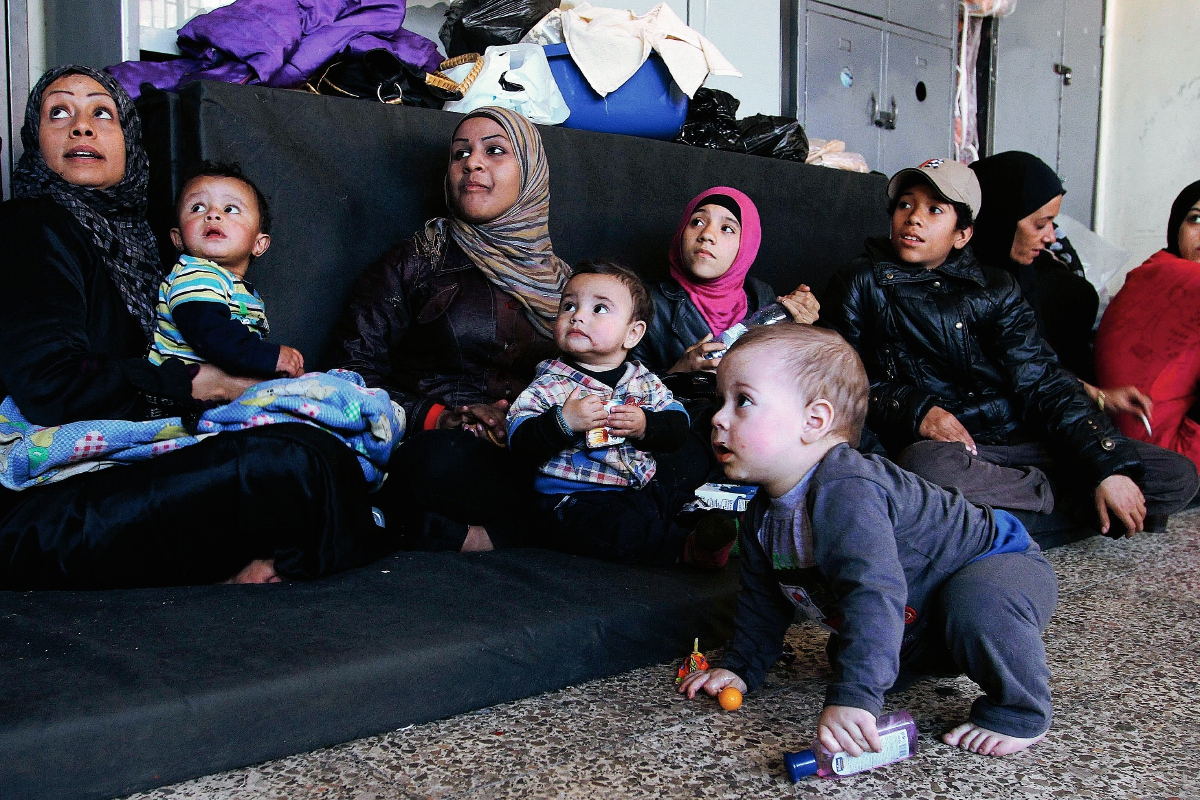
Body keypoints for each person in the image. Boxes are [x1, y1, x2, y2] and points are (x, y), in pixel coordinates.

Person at [0, 65, 385, 589]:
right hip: (40, 504)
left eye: (102, 113)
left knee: (320, 445)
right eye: (59, 112)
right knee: (291, 461)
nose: (82, 126)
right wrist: (202, 383)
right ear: (34, 142)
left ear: (129, 143)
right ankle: (262, 567)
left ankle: (259, 564)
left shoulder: (141, 247)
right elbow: (51, 381)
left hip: (122, 467)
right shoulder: (31, 227)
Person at [679, 324, 1057, 757]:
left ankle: (1022, 711)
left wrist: (855, 698)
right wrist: (741, 667)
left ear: (814, 421)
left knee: (975, 606)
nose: (718, 418)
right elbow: (762, 600)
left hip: (1000, 566)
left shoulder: (849, 488)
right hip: (921, 609)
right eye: (720, 401)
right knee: (854, 651)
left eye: (742, 401)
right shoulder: (763, 512)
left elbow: (872, 592)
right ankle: (929, 651)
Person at [822, 158, 1198, 537]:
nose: (914, 218)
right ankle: (1066, 505)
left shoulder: (997, 287)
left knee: (1177, 475)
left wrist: (1106, 468)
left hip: (1021, 439)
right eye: (905, 204)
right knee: (925, 469)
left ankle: (993, 518)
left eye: (934, 209)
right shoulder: (859, 282)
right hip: (951, 450)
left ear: (962, 234)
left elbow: (1042, 379)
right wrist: (915, 409)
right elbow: (840, 381)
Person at [329, 106, 570, 553]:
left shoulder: (567, 285)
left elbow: (597, 375)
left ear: (532, 172)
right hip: (442, 448)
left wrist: (527, 423)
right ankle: (545, 527)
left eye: (494, 151)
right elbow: (352, 370)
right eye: (460, 153)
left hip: (540, 451)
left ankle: (485, 535)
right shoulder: (418, 259)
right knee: (433, 463)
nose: (472, 163)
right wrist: (439, 417)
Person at [507, 261, 727, 565]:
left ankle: (726, 532)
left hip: (640, 488)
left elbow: (678, 425)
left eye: (599, 309)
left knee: (686, 502)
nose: (577, 316)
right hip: (572, 499)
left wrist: (646, 425)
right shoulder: (551, 383)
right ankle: (687, 550)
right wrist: (564, 422)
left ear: (632, 334)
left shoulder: (643, 380)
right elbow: (518, 442)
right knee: (619, 531)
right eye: (569, 306)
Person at [633, 186, 820, 376]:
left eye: (727, 229)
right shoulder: (645, 305)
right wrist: (678, 373)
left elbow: (784, 378)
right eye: (697, 222)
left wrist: (799, 332)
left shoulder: (762, 298)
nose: (707, 234)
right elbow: (624, 388)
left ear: (746, 244)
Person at [149, 162, 304, 378]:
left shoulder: (237, 288)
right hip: (185, 390)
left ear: (258, 244)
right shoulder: (195, 274)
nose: (213, 214)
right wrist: (271, 357)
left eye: (230, 209)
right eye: (197, 208)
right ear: (178, 238)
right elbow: (210, 333)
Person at [1095, 180, 1200, 472]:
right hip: (1168, 455)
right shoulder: (1166, 275)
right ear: (1176, 227)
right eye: (1196, 219)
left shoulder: (1155, 269)